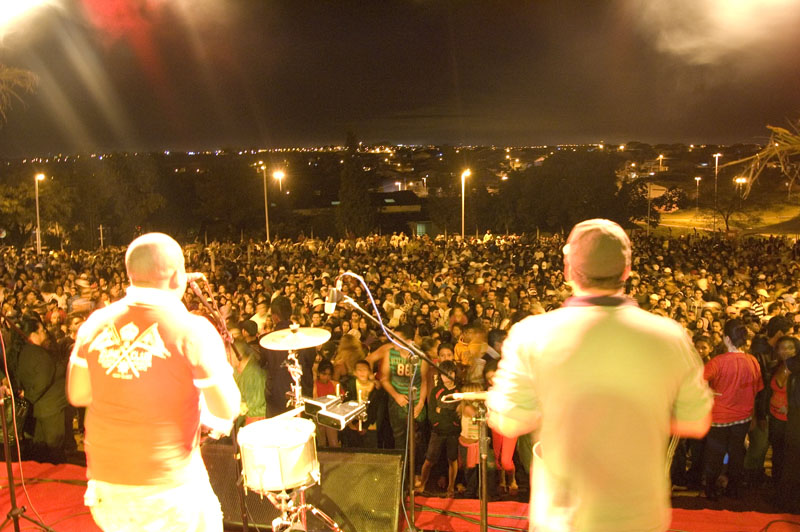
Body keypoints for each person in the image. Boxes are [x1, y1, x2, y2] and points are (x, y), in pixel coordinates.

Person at [487, 219, 713, 532]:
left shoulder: (531, 335)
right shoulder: (669, 337)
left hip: (564, 518)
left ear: (567, 271)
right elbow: (696, 421)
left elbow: (510, 421)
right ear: (627, 270)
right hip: (640, 516)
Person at [67, 232, 241, 532]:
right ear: (177, 276)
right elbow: (227, 408)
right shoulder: (192, 329)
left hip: (107, 485)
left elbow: (78, 393)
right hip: (169, 487)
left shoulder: (94, 322)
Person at [703, 318, 763, 499]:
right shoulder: (752, 361)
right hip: (743, 417)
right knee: (737, 453)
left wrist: (709, 393)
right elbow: (757, 390)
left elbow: (697, 383)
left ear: (726, 338)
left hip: (719, 416)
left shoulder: (717, 362)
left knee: (715, 453)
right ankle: (734, 488)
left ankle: (711, 489)